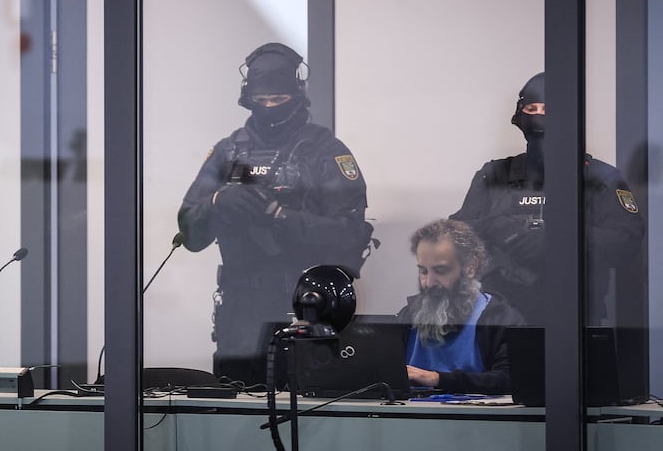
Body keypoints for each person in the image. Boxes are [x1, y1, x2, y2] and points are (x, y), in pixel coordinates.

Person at [177, 42, 373, 386]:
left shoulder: (325, 151)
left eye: (278, 99)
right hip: (239, 310)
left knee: (302, 403)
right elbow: (189, 231)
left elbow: (351, 236)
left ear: (296, 93)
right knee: (236, 402)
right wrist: (218, 202)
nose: (269, 107)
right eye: (262, 99)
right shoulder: (228, 151)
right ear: (248, 96)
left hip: (304, 306)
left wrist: (281, 216)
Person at [450, 72, 645, 324]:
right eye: (532, 108)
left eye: (548, 109)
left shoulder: (600, 177)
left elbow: (627, 241)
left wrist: (557, 239)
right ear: (519, 115)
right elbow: (456, 236)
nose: (539, 117)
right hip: (500, 316)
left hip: (575, 319)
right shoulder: (495, 174)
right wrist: (500, 229)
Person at [396, 219, 522, 395]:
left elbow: (509, 380)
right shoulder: (407, 315)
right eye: (423, 271)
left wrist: (437, 379)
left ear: (470, 267)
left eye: (440, 271)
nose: (428, 283)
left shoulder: (502, 319)